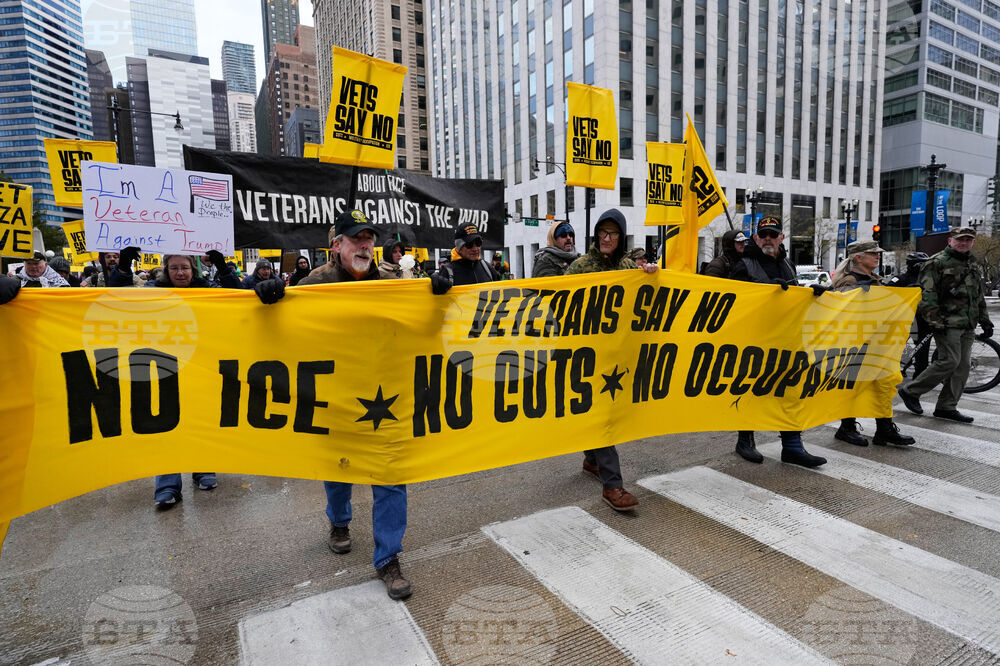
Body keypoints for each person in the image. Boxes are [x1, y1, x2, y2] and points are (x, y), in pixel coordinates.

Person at [111, 247, 283, 506]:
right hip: (164, 367)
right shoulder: (153, 292)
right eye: (174, 268)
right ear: (166, 271)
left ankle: (204, 469)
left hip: (201, 367)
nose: (180, 272)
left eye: (185, 268)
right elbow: (116, 297)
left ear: (194, 269)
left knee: (202, 420)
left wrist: (223, 268)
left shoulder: (206, 290)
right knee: (166, 425)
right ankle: (168, 485)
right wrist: (123, 267)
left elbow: (236, 296)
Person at [299, 209, 412, 600]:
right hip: (337, 392)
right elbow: (288, 330)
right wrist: (269, 302)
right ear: (337, 246)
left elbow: (418, 318)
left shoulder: (393, 280)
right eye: (355, 239)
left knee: (390, 473)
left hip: (385, 394)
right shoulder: (314, 283)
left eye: (370, 239)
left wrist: (438, 289)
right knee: (339, 466)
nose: (365, 245)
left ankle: (388, 557)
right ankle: (340, 521)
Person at [566, 209, 658, 511]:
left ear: (620, 237)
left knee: (601, 415)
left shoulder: (631, 266)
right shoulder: (579, 267)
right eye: (603, 233)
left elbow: (648, 300)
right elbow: (559, 304)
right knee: (602, 416)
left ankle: (592, 460)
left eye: (613, 233)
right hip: (588, 354)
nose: (607, 238)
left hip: (619, 354)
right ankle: (613, 485)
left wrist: (652, 277)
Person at [730, 216, 827, 468]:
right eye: (763, 235)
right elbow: (733, 304)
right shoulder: (743, 265)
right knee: (751, 391)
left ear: (781, 238)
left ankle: (792, 446)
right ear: (755, 238)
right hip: (754, 341)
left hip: (786, 341)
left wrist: (811, 296)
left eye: (773, 234)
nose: (768, 239)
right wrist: (766, 293)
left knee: (789, 391)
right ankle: (745, 441)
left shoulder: (787, 264)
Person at [898, 227, 995, 423]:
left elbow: (978, 296)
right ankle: (911, 391)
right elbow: (927, 296)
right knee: (949, 361)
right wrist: (934, 321)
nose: (964, 243)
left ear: (973, 242)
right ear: (950, 241)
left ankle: (946, 406)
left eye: (968, 240)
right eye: (960, 239)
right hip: (946, 323)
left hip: (968, 323)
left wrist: (985, 321)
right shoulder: (936, 262)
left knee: (963, 366)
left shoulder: (973, 264)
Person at [829, 240, 915, 447]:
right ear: (858, 257)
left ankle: (884, 429)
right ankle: (846, 428)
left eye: (877, 253)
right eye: (872, 253)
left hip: (878, 341)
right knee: (852, 386)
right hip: (855, 342)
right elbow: (842, 308)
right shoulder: (847, 280)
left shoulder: (874, 278)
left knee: (885, 383)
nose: (877, 256)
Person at [889, 252, 932, 378]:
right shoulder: (900, 279)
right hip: (904, 321)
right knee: (897, 348)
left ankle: (918, 378)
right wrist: (907, 289)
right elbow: (887, 292)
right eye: (921, 264)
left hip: (923, 320)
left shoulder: (929, 280)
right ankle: (898, 369)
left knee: (922, 352)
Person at [430, 224, 501, 293]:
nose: (475, 248)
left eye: (478, 243)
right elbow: (437, 301)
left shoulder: (487, 268)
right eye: (469, 244)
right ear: (459, 247)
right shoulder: (448, 271)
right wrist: (431, 286)